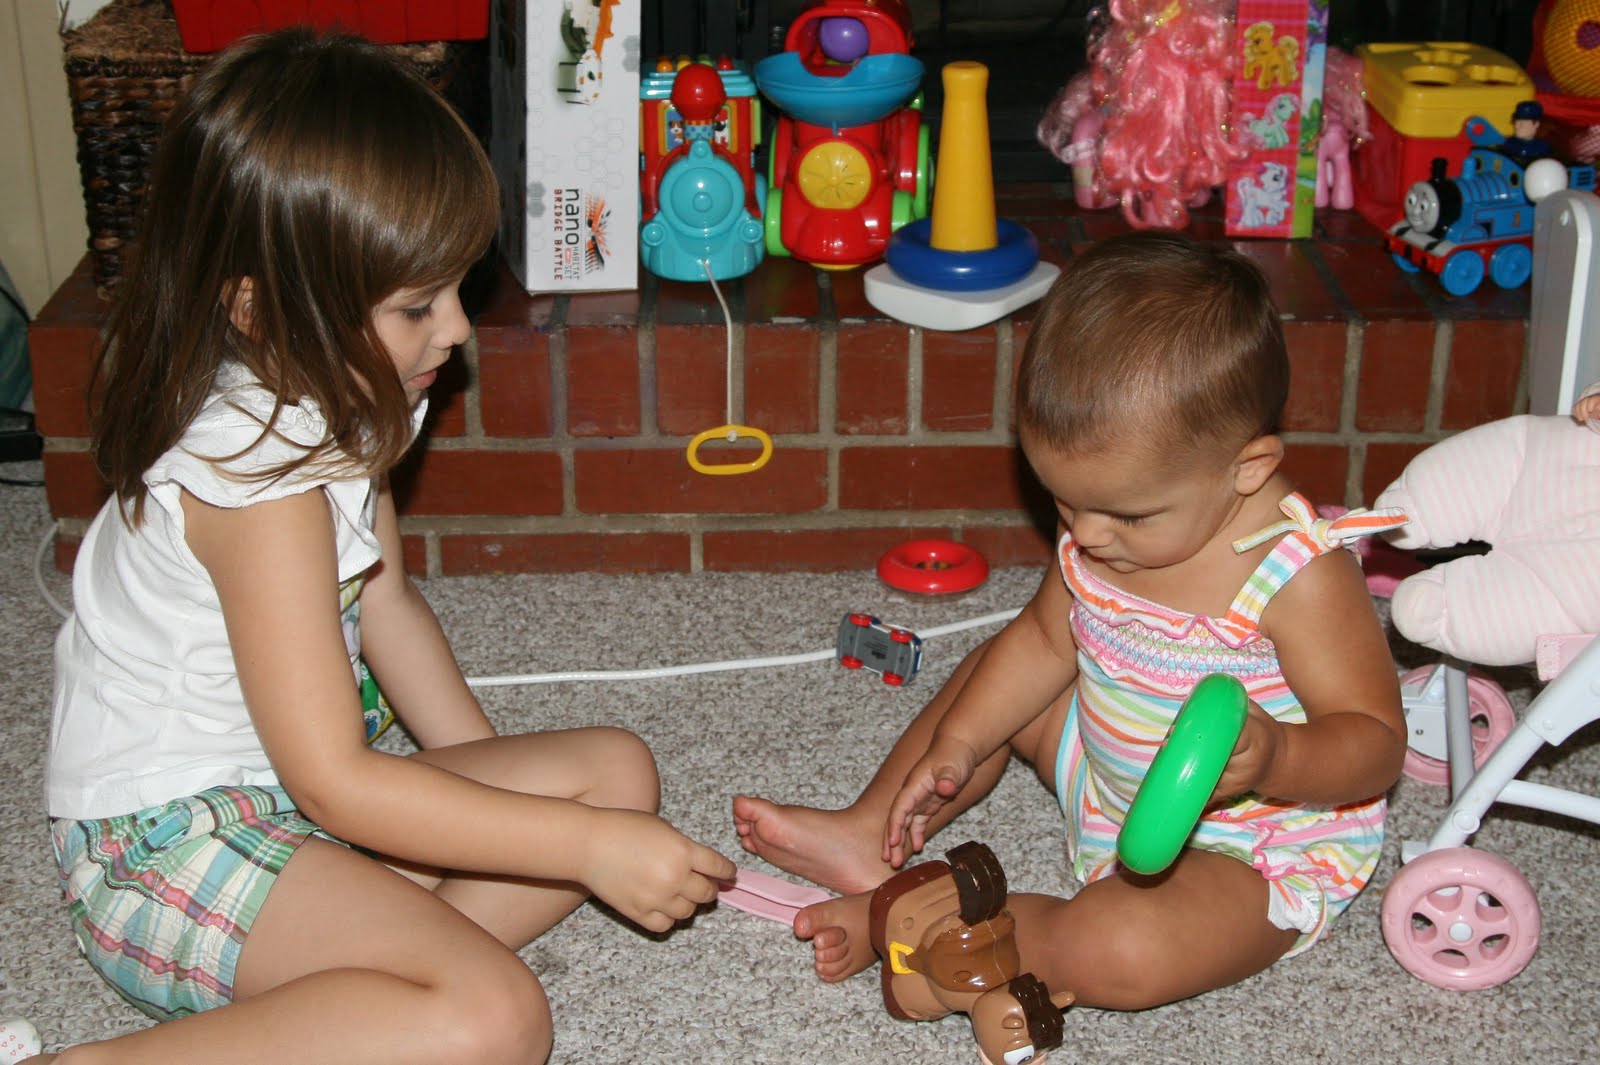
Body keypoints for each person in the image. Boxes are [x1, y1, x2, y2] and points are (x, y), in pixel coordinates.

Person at [21, 29, 734, 1065]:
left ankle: (357, 1003)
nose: (457, 331)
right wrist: (573, 845)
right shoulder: (257, 487)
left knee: (616, 773)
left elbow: (387, 604)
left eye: (455, 290)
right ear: (258, 307)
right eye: (414, 306)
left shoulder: (352, 398)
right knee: (499, 1020)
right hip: (170, 852)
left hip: (290, 809)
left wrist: (498, 810)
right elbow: (335, 781)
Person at [733, 230, 1409, 1015]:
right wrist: (960, 743)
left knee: (1126, 950)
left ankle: (946, 930)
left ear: (1247, 468)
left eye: (1126, 514)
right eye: (1064, 500)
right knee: (996, 677)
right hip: (1103, 755)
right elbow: (1046, 640)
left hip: (1248, 840)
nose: (1085, 535)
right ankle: (870, 830)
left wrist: (1279, 757)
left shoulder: (1299, 575)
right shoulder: (1104, 522)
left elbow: (1375, 744)